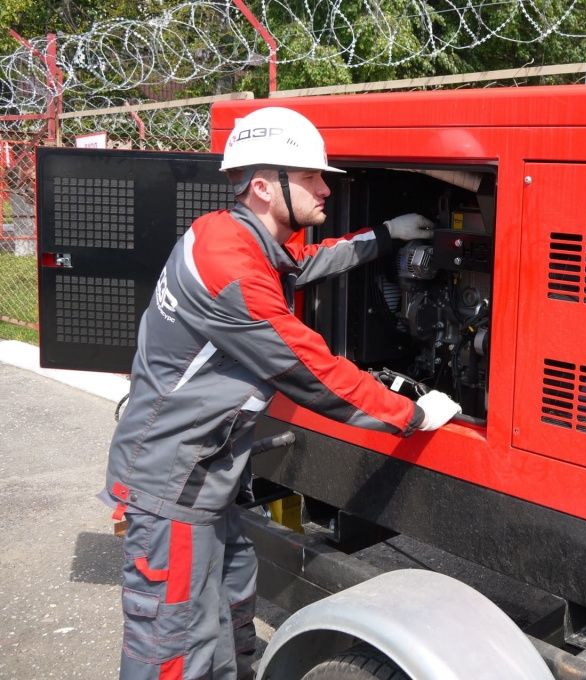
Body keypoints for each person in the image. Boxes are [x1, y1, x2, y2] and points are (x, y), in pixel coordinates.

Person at [102, 106, 461, 680]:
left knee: (227, 613)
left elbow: (303, 262)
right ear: (266, 187)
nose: (326, 188)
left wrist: (384, 236)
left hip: (209, 478)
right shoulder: (231, 271)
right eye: (312, 176)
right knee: (172, 644)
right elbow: (311, 371)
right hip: (172, 485)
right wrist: (412, 412)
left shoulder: (227, 234)